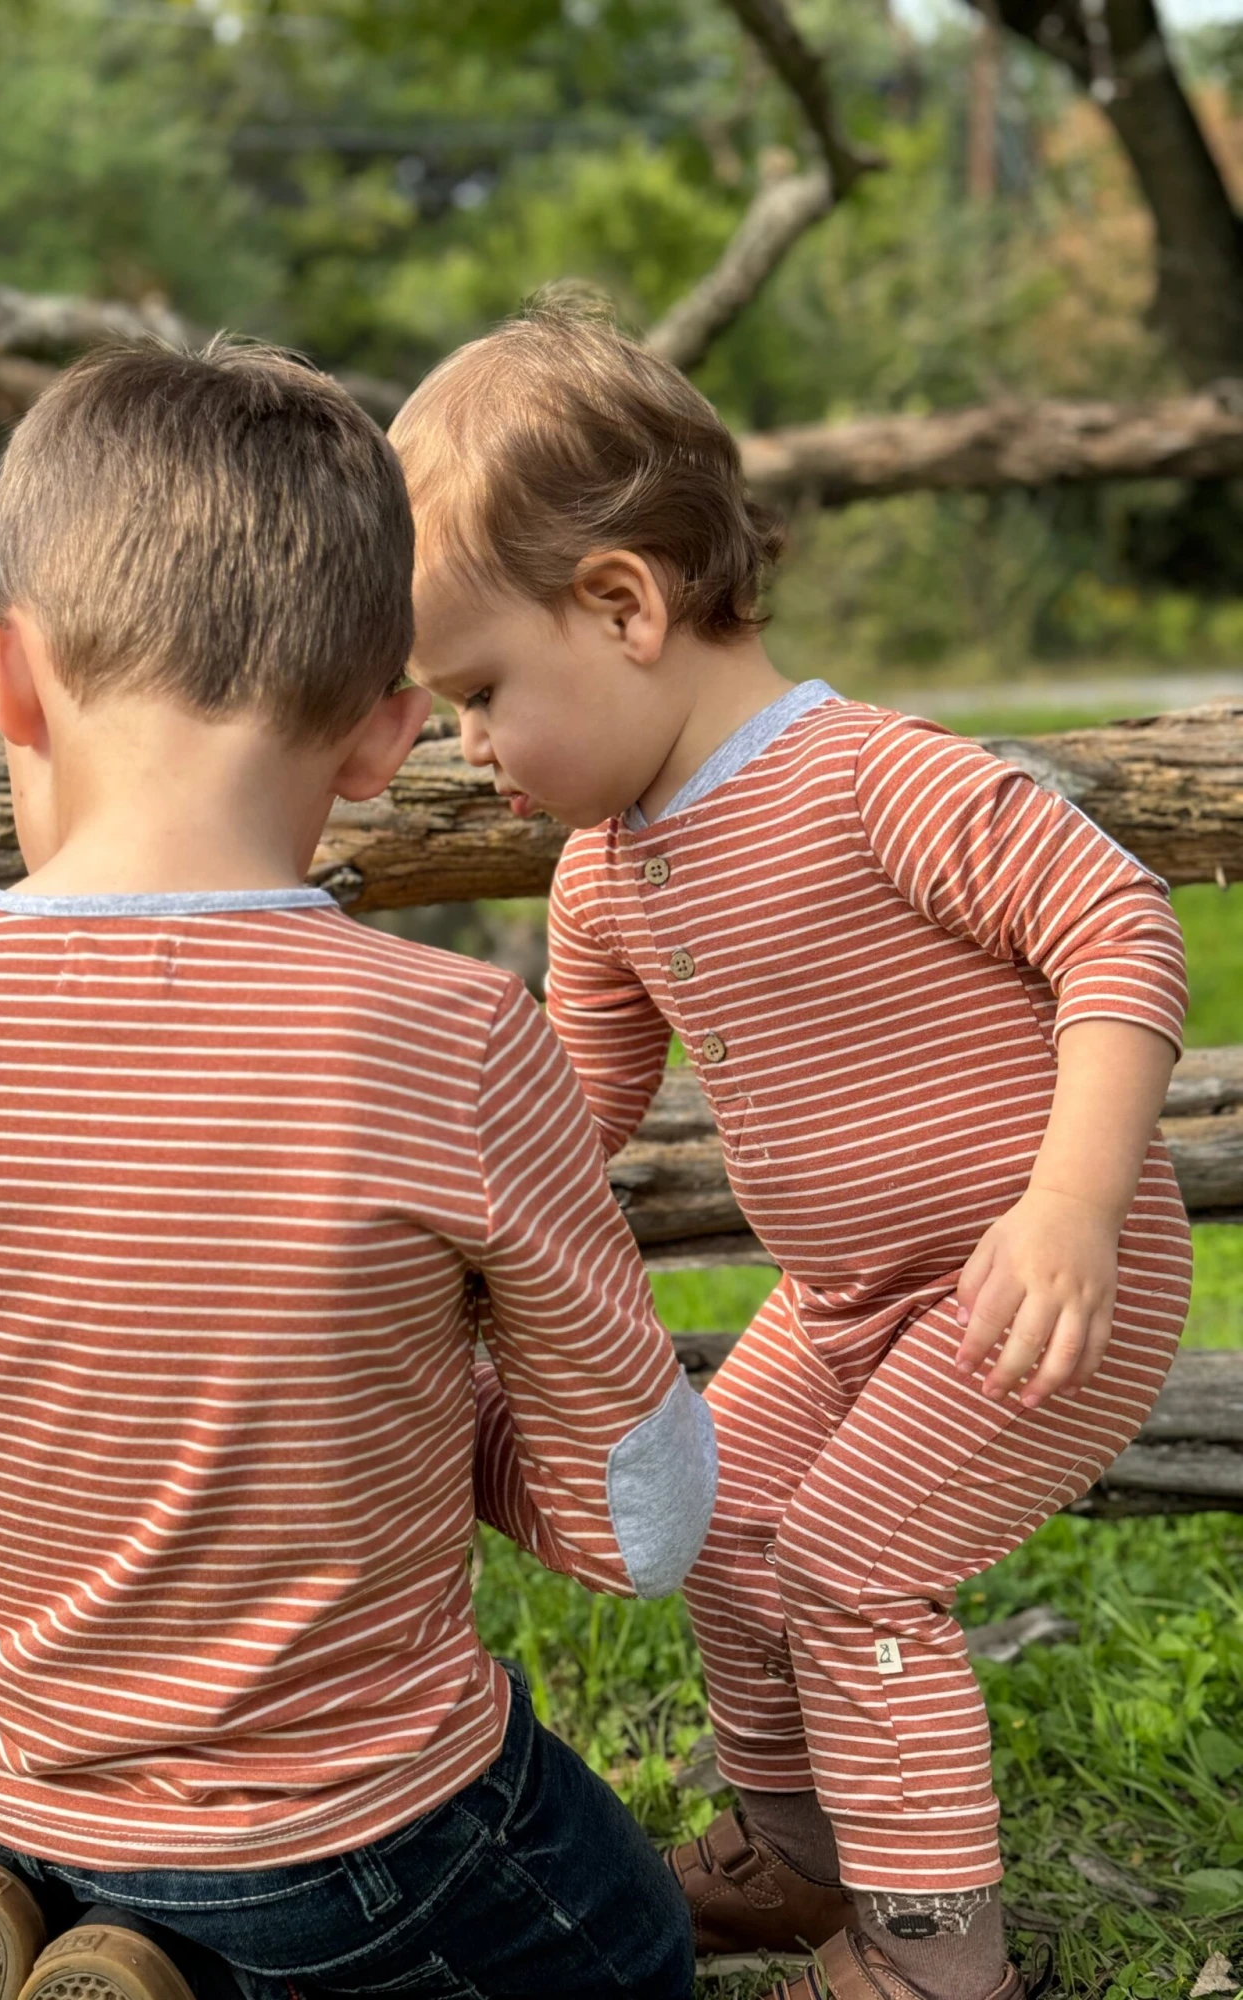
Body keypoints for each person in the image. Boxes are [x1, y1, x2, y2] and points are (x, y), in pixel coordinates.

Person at [0, 339, 717, 2000]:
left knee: (124, 1856)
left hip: (4, 1772)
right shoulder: (456, 1035)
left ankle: (84, 1924)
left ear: (9, 673)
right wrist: (432, 1408)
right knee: (630, 1953)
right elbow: (642, 1521)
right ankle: (208, 1966)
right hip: (355, 1836)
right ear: (384, 733)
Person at [391, 302, 1191, 2000]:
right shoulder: (608, 869)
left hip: (1032, 1276)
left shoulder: (865, 778)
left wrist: (1073, 1202)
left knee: (848, 1562)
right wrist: (436, 1241)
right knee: (720, 1514)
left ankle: (935, 1953)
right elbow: (566, 1116)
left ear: (622, 605)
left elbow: (1117, 929)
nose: (467, 746)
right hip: (846, 1303)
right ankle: (801, 1848)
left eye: (477, 695)